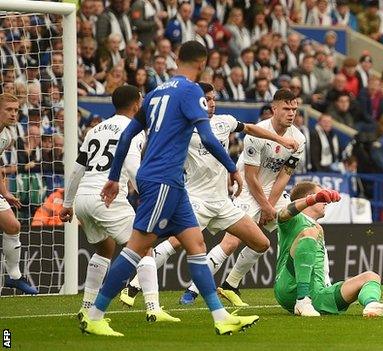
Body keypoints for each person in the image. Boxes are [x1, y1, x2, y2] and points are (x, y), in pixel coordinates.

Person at [83, 41, 259, 336]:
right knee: (137, 248)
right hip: (163, 179)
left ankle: (220, 316)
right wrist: (231, 167)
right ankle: (95, 314)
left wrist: (114, 178)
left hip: (172, 183)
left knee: (196, 245)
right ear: (202, 64)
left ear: (178, 59)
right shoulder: (192, 91)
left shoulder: (153, 94)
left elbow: (127, 136)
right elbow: (207, 137)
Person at [118, 82, 299, 306]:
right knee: (176, 243)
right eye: (207, 99)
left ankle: (230, 284)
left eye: (213, 99)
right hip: (195, 200)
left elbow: (251, 128)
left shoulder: (225, 122)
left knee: (261, 243)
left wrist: (281, 140)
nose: (211, 103)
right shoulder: (181, 128)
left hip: (222, 202)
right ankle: (134, 286)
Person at [60, 85, 178, 322]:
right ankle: (153, 308)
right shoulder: (133, 129)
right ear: (136, 104)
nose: (144, 103)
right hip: (106, 197)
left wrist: (68, 203)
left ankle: (86, 306)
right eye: (142, 100)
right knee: (145, 246)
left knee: (105, 248)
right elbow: (133, 165)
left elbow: (76, 170)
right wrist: (148, 193)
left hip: (84, 198)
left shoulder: (95, 129)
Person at [209, 88, 306, 307]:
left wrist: (270, 207)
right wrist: (264, 206)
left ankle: (230, 285)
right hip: (247, 190)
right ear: (274, 109)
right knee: (232, 242)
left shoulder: (299, 139)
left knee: (298, 230)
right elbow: (251, 177)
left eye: (295, 109)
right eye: (286, 109)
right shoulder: (258, 132)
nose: (291, 113)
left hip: (272, 195)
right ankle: (196, 288)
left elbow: (284, 176)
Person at [274, 181, 383, 317]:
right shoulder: (295, 219)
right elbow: (282, 214)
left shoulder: (318, 227)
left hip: (318, 294)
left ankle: (372, 305)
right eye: (321, 196)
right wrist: (313, 199)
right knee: (310, 232)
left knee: (371, 276)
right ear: (309, 196)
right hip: (290, 287)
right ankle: (302, 300)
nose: (325, 201)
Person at [0, 94, 37, 295]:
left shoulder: (6, 136)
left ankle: (14, 277)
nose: (14, 114)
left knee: (13, 226)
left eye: (16, 110)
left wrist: (5, 192)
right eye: (9, 109)